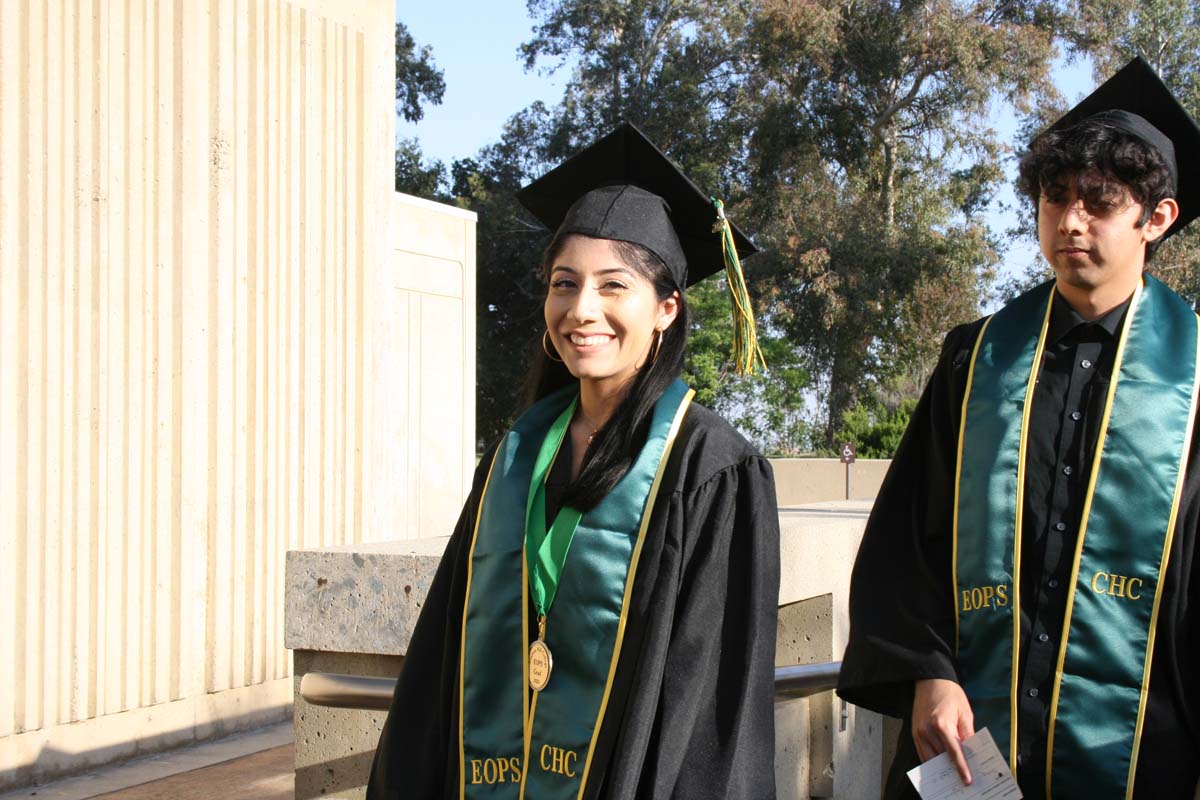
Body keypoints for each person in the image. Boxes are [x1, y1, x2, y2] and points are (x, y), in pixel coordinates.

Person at [366, 123, 781, 799]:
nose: (582, 309)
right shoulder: (515, 455)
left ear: (666, 309)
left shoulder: (712, 471)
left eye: (613, 287)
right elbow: (443, 667)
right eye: (565, 284)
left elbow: (712, 712)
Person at [837, 57, 1200, 799]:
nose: (1069, 220)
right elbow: (909, 539)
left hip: (1137, 749)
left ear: (1155, 218)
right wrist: (928, 672)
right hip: (967, 740)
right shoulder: (977, 361)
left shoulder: (1193, 383)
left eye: (1098, 202)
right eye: (1054, 196)